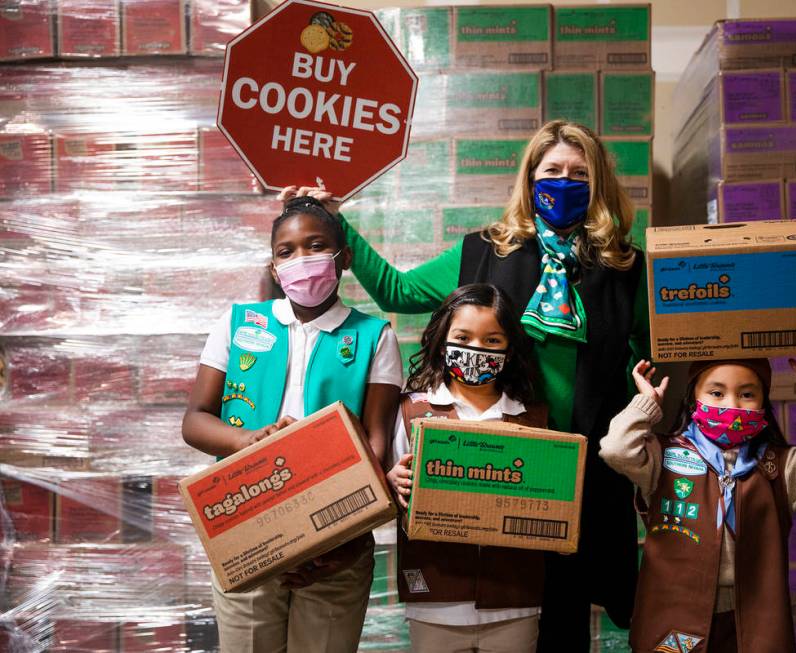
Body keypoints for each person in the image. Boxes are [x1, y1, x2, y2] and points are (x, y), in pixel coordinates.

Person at [280, 120, 647, 650]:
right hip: (501, 469)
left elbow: (650, 355)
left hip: (586, 481)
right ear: (530, 178)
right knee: (500, 607)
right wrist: (338, 222)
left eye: (579, 173)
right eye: (552, 171)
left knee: (566, 625)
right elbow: (398, 291)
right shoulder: (484, 251)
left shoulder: (626, 269)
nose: (564, 182)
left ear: (599, 185)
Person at [181, 196, 403, 653]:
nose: (301, 259)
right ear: (274, 265)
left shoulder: (374, 336)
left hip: (337, 549)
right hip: (248, 537)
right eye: (286, 251)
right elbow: (195, 421)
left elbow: (377, 444)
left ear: (344, 257)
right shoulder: (239, 323)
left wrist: (334, 541)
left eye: (316, 245)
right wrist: (248, 439)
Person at [599, 333, 796, 653]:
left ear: (763, 401)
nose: (732, 405)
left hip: (752, 619)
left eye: (747, 394)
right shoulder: (665, 457)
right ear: (693, 396)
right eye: (716, 392)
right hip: (675, 617)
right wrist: (647, 405)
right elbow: (616, 450)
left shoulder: (778, 467)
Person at [387, 283, 546, 653]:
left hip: (515, 600)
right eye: (463, 337)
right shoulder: (411, 411)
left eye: (492, 340)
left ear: (510, 349)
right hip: (435, 600)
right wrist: (392, 480)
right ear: (443, 340)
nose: (476, 349)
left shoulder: (533, 419)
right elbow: (390, 487)